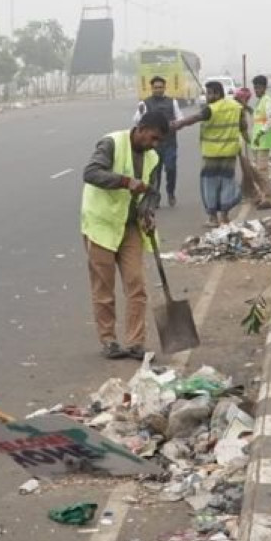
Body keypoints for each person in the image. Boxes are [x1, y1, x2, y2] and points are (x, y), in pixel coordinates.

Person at [82, 111, 165, 360]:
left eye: (158, 141)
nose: (154, 145)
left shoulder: (152, 157)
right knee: (104, 288)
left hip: (130, 227)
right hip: (101, 225)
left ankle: (136, 342)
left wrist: (148, 211)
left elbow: (152, 192)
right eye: (152, 138)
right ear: (140, 129)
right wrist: (126, 182)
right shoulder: (111, 143)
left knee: (136, 285)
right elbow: (91, 173)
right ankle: (109, 340)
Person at [173, 80, 249, 226]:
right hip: (230, 153)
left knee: (210, 185)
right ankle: (225, 217)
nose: (207, 96)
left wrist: (178, 124)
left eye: (208, 93)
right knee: (227, 183)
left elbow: (194, 118)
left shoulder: (211, 109)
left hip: (212, 155)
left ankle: (213, 218)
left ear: (216, 93)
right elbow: (243, 126)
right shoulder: (236, 107)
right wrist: (247, 140)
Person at [133, 76, 183, 207]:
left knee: (171, 169)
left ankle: (171, 193)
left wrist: (174, 124)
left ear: (165, 88)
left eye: (160, 87)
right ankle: (155, 197)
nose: (158, 90)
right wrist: (142, 114)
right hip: (152, 144)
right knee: (155, 172)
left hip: (170, 142)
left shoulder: (173, 102)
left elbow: (180, 119)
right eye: (156, 88)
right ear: (152, 89)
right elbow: (137, 121)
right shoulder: (144, 104)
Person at [249, 75, 271, 196]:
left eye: (258, 88)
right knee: (258, 167)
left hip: (263, 139)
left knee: (262, 169)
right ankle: (263, 190)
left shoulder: (267, 100)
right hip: (257, 140)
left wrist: (262, 132)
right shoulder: (260, 101)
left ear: (264, 87)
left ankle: (265, 192)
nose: (256, 91)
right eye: (255, 88)